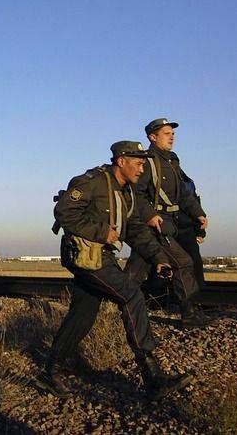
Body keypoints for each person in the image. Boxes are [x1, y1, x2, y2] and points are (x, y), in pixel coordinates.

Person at [39, 141, 191, 400]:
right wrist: (102, 232)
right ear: (121, 161)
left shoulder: (126, 191)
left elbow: (136, 229)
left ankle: (51, 370)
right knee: (131, 295)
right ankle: (153, 377)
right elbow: (63, 211)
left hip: (100, 257)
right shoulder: (93, 182)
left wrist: (157, 258)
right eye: (138, 163)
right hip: (86, 257)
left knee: (83, 314)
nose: (142, 169)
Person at [128, 118, 208, 327]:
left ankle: (116, 310)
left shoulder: (172, 162)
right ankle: (188, 315)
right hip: (151, 227)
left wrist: (198, 213)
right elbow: (135, 193)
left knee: (136, 272)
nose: (172, 137)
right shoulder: (147, 162)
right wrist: (149, 215)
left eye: (172, 134)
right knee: (181, 263)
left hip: (166, 225)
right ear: (152, 137)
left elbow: (183, 194)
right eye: (166, 133)